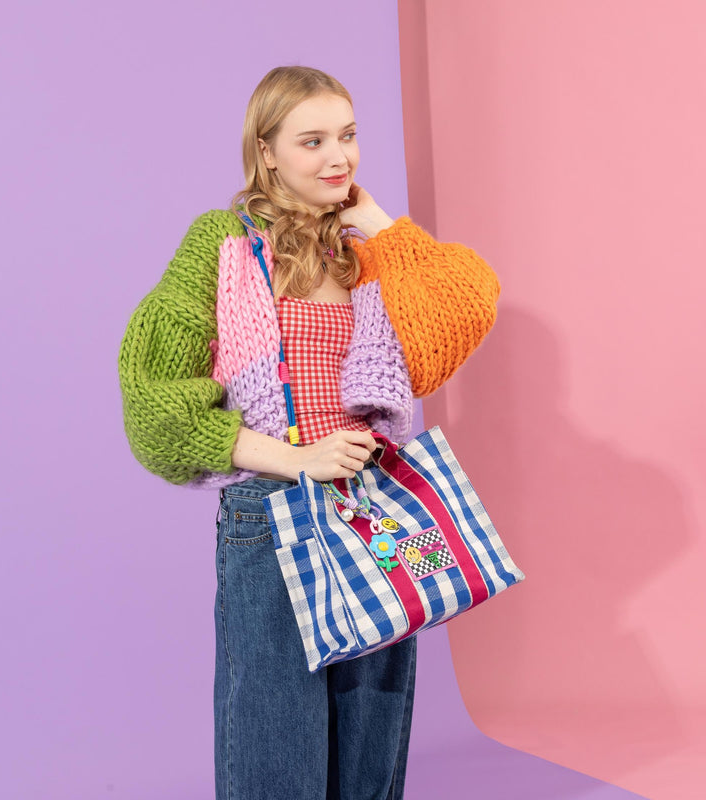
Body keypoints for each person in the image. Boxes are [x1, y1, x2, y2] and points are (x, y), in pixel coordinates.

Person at [118, 65, 499, 800]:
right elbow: (154, 408)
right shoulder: (222, 243)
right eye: (313, 140)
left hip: (380, 510)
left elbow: (469, 301)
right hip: (273, 517)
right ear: (266, 152)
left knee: (371, 755)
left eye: (348, 136)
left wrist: (379, 221)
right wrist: (297, 458)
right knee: (277, 758)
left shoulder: (362, 255)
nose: (338, 156)